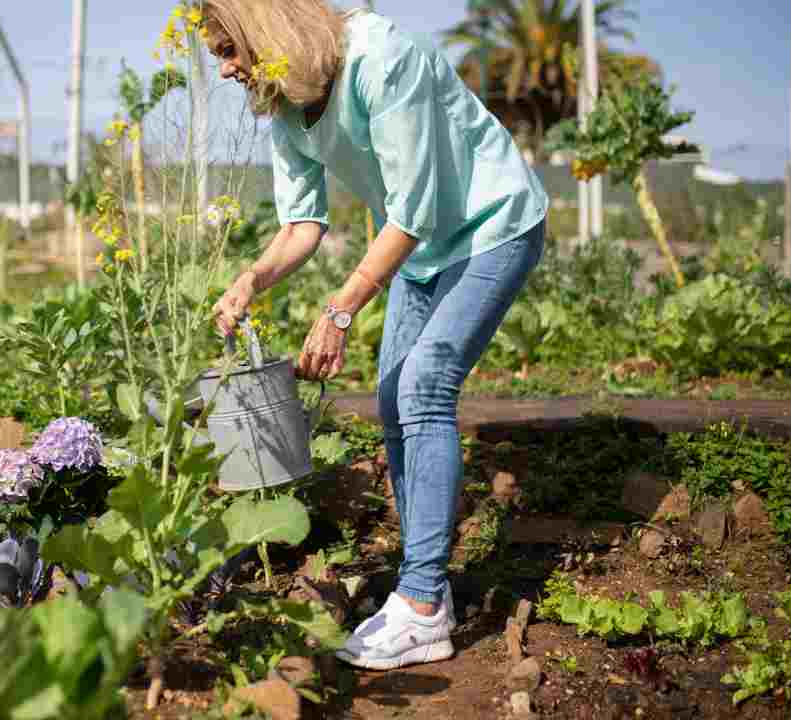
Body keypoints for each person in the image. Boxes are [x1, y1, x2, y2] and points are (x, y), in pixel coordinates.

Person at [204, 0, 548, 671]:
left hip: (491, 227)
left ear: (266, 32)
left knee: (424, 387)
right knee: (393, 398)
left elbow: (415, 208)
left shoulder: (381, 60)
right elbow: (303, 222)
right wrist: (252, 278)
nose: (223, 69)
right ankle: (422, 593)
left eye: (229, 49)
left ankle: (422, 603)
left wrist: (340, 308)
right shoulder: (286, 99)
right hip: (421, 250)